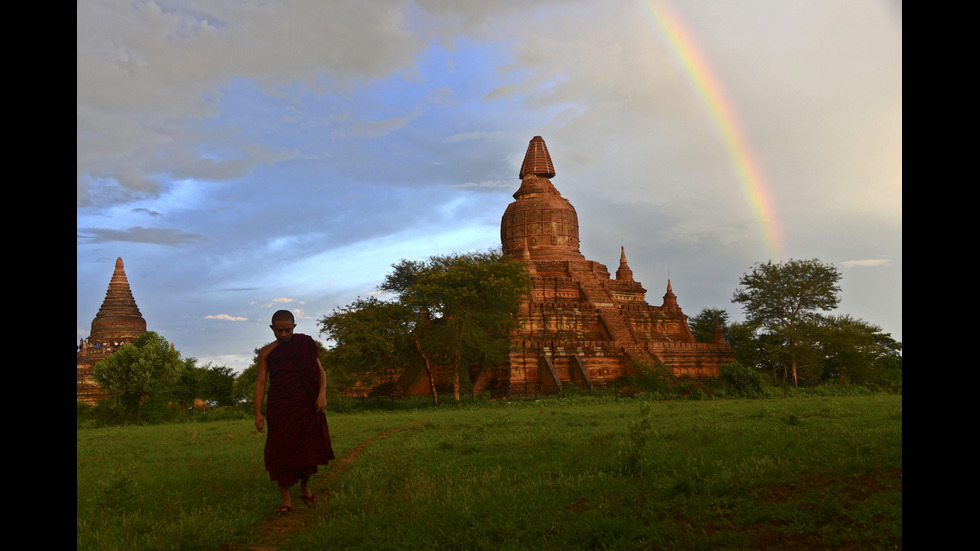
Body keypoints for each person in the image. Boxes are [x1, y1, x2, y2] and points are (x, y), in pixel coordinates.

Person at [254, 310, 335, 513]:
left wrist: (322, 395)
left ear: (294, 327)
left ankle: (304, 488)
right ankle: (286, 500)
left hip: (305, 405)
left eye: (287, 330)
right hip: (280, 407)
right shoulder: (266, 352)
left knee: (306, 450)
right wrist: (257, 411)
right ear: (272, 329)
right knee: (281, 451)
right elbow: (261, 381)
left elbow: (320, 372)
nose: (283, 334)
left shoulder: (304, 344)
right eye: (278, 330)